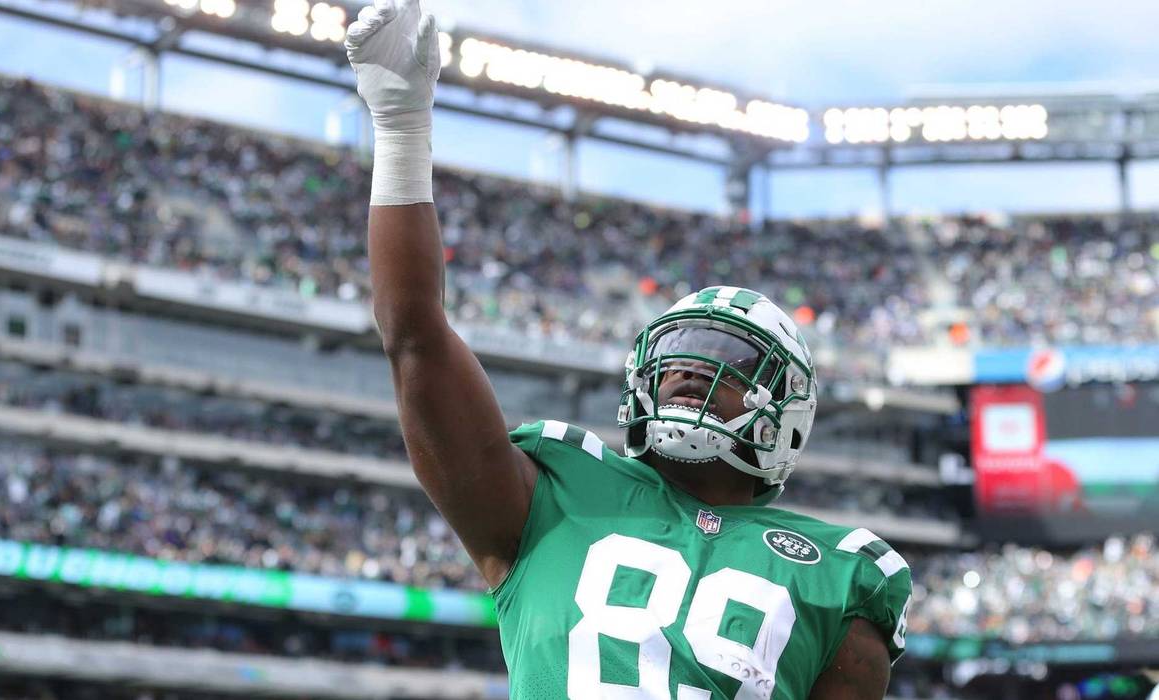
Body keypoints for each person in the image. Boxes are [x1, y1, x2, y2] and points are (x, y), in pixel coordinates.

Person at [345, 2, 912, 697]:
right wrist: (401, 125)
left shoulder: (837, 573)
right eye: (674, 353)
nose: (684, 370)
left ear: (784, 414)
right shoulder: (549, 497)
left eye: (724, 359)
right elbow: (413, 337)